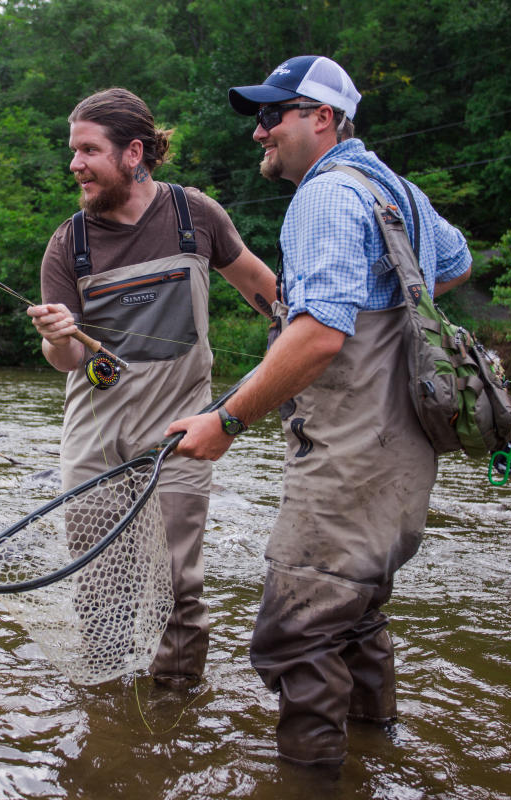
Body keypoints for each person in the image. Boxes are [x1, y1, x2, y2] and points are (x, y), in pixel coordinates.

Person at [166, 56, 473, 766]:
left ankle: (313, 783)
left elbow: (319, 337)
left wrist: (225, 422)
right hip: (404, 458)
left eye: (273, 115)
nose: (259, 133)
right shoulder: (397, 190)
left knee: (296, 636)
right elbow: (453, 266)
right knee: (354, 619)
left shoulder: (325, 196)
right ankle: (376, 760)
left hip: (348, 463)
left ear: (322, 118)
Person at [27, 88, 277, 690]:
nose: (74, 164)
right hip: (94, 443)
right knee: (100, 589)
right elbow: (63, 360)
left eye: (89, 150)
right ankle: (108, 708)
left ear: (133, 152)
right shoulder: (68, 243)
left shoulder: (196, 216)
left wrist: (309, 354)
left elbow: (266, 293)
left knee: (180, 589)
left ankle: (176, 710)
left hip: (181, 438)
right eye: (73, 150)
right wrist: (59, 335)